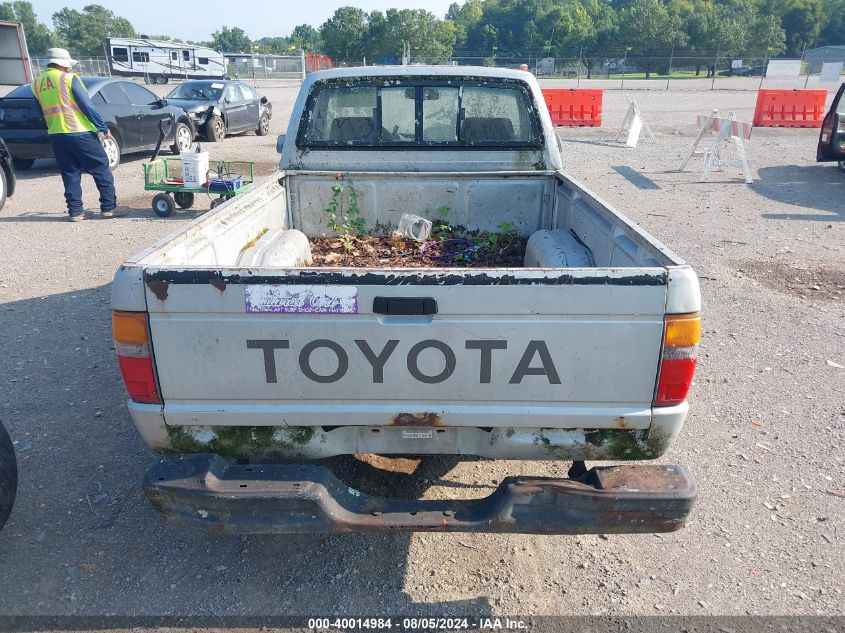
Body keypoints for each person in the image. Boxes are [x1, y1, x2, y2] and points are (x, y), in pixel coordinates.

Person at [32, 48, 128, 221]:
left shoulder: (37, 83)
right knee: (100, 166)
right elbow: (86, 105)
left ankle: (76, 211)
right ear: (63, 64)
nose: (70, 68)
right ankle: (109, 207)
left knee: (70, 172)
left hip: (56, 134)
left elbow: (42, 110)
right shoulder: (68, 79)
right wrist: (102, 127)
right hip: (79, 131)